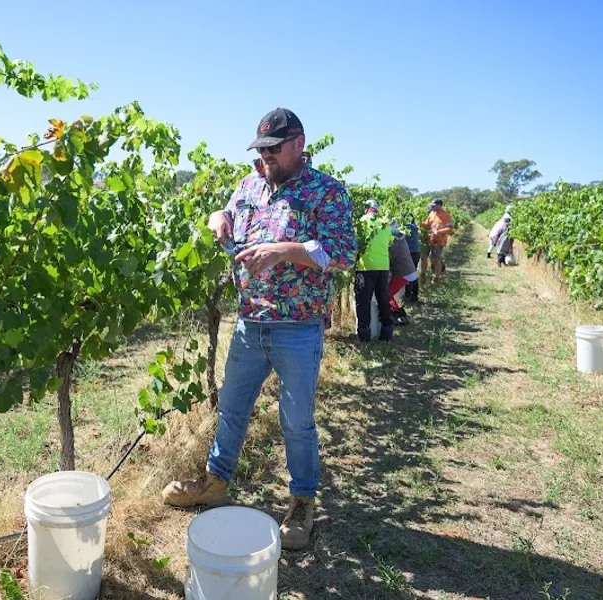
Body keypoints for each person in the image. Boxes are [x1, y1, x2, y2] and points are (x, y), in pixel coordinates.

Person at [161, 108, 358, 551]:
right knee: (232, 408)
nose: (265, 155)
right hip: (250, 320)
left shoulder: (326, 191)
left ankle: (302, 501)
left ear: (298, 145)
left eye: (273, 148)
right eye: (261, 149)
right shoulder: (250, 184)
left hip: (297, 326)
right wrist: (217, 217)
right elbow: (226, 213)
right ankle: (215, 482)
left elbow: (343, 253)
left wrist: (285, 250)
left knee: (297, 420)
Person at [354, 201, 394, 341]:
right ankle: (387, 332)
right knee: (383, 299)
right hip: (383, 267)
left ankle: (364, 334)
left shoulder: (361, 222)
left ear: (366, 209)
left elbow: (355, 244)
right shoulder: (385, 223)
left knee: (363, 301)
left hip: (366, 267)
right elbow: (389, 242)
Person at [388, 220, 417, 325]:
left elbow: (388, 258)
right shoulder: (400, 237)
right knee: (388, 294)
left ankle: (400, 316)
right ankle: (397, 314)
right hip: (407, 271)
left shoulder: (393, 241)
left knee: (386, 294)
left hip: (403, 272)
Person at [420, 198, 454, 283]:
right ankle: (423, 275)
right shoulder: (432, 213)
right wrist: (420, 223)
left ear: (439, 206)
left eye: (434, 205)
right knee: (423, 257)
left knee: (436, 259)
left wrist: (439, 232)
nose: (432, 207)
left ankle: (436, 277)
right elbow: (427, 225)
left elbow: (450, 228)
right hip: (428, 239)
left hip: (439, 241)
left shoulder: (446, 215)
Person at [402, 212, 420, 302]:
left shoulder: (403, 228)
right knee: (413, 273)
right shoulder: (414, 227)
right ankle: (415, 294)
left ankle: (407, 296)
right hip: (417, 252)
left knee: (409, 274)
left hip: (410, 252)